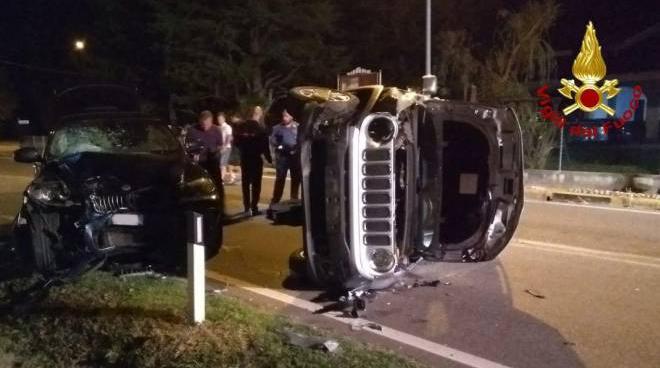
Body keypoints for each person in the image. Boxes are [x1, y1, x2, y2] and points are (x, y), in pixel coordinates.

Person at [234, 106, 271, 216]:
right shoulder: (261, 128)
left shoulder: (241, 127)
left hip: (245, 157)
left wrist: (243, 147)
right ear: (259, 114)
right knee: (256, 184)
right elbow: (265, 145)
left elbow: (236, 142)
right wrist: (268, 158)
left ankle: (247, 207)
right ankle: (254, 206)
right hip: (256, 158)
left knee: (245, 184)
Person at [186, 110, 225, 213]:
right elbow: (188, 146)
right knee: (199, 186)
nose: (204, 126)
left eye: (207, 124)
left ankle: (221, 208)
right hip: (200, 163)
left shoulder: (216, 130)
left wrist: (216, 151)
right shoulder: (192, 130)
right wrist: (192, 154)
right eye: (202, 124)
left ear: (211, 121)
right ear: (199, 121)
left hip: (213, 162)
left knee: (217, 185)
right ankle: (199, 208)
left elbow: (220, 144)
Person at [270, 109, 301, 205]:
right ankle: (275, 200)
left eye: (286, 116)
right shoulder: (277, 128)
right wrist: (279, 146)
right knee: (280, 178)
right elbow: (273, 140)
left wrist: (297, 148)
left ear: (291, 117)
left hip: (294, 156)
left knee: (295, 178)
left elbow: (301, 139)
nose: (284, 118)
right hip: (282, 156)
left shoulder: (297, 127)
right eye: (283, 116)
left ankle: (294, 199)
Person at [216, 112, 235, 184]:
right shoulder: (218, 127)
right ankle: (232, 175)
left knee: (222, 164)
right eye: (218, 119)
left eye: (220, 119)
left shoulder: (227, 127)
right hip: (220, 148)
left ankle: (221, 180)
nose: (219, 120)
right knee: (224, 163)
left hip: (226, 148)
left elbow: (229, 137)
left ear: (224, 119)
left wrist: (224, 146)